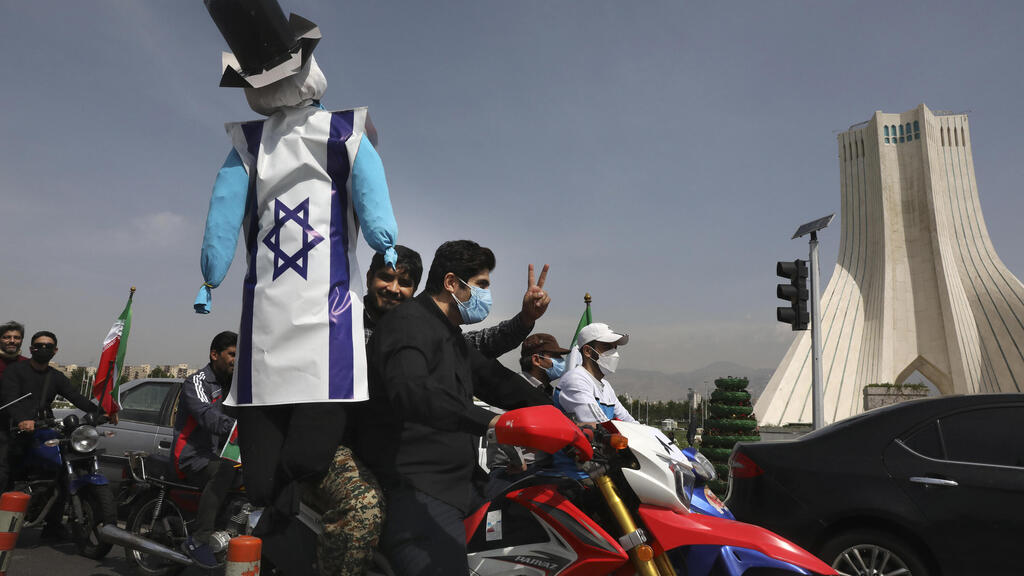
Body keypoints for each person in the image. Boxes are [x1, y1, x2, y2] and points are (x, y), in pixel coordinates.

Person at [196, 3, 399, 574]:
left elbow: (371, 200)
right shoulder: (248, 145)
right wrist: (212, 272)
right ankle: (270, 530)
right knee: (260, 479)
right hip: (262, 332)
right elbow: (221, 220)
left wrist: (382, 236)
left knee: (309, 456)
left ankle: (284, 532)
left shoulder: (343, 132)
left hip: (326, 324)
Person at [355, 240, 582, 576]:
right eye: (482, 286)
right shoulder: (406, 324)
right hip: (418, 488)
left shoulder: (451, 335)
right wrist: (494, 423)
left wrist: (566, 421)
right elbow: (413, 392)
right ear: (451, 283)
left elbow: (498, 381)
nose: (486, 296)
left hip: (467, 482)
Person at [363, 244, 551, 357]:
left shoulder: (420, 333)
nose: (394, 289)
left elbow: (480, 343)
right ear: (369, 277)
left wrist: (526, 318)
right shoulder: (342, 323)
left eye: (404, 283)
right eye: (386, 278)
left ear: (414, 290)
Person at [1, 331, 103, 537]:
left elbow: (76, 396)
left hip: (42, 428)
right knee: (4, 472)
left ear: (55, 351)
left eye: (48, 346)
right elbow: (9, 398)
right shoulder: (15, 371)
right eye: (39, 346)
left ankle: (53, 524)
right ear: (31, 349)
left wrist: (101, 412)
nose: (43, 349)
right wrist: (22, 419)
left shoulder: (55, 377)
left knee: (62, 467)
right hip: (12, 429)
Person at [174, 331, 239, 568]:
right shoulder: (197, 382)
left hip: (220, 455)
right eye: (232, 354)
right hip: (192, 455)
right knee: (225, 471)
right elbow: (207, 416)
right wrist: (238, 427)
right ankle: (200, 538)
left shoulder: (235, 385)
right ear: (214, 355)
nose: (236, 359)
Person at [484, 333, 570, 499]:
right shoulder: (512, 388)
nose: (561, 362)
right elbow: (498, 426)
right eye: (555, 356)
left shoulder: (548, 394)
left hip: (543, 471)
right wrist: (517, 459)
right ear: (536, 360)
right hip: (511, 474)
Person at [556, 323, 638, 424]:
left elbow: (628, 421)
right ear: (587, 351)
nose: (614, 353)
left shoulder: (606, 386)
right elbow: (601, 425)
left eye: (614, 347)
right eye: (607, 346)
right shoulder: (575, 380)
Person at [0, 321, 27, 490]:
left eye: (16, 337)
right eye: (7, 337)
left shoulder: (27, 364)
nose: (12, 341)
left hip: (20, 427)